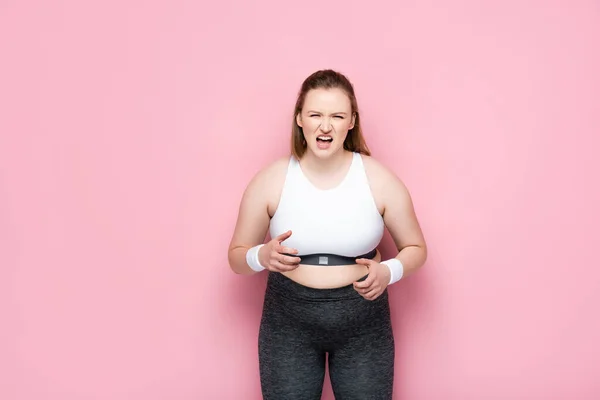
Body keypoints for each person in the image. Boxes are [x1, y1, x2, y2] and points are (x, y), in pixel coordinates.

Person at [227, 69, 427, 400]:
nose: (325, 125)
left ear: (351, 122)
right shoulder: (271, 180)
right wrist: (259, 256)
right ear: (299, 120)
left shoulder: (379, 179)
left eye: (336, 115)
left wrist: (388, 272)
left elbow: (416, 247)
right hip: (287, 322)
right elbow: (236, 257)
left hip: (363, 322)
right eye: (315, 114)